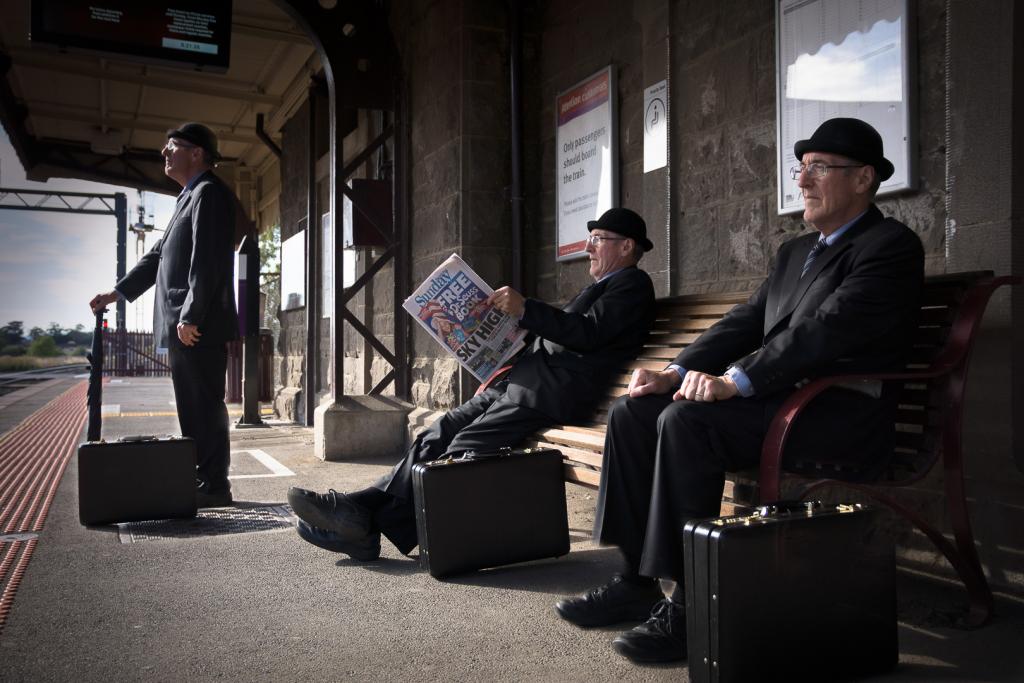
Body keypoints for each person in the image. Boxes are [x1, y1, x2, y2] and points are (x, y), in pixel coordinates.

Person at [556, 118, 925, 664]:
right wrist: (674, 373)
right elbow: (745, 321)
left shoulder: (888, 246)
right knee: (635, 413)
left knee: (686, 424)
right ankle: (636, 580)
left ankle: (689, 606)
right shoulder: (795, 251)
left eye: (819, 168)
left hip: (836, 411)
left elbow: (827, 328)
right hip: (780, 403)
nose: (802, 181)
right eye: (802, 168)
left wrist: (734, 381)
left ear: (865, 178)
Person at [287, 207, 658, 561]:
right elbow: (569, 334)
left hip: (551, 394)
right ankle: (360, 514)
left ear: (626, 246)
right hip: (524, 383)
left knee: (464, 447)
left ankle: (361, 519)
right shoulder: (608, 284)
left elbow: (590, 333)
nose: (588, 246)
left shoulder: (632, 284)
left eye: (598, 238)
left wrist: (527, 309)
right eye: (589, 237)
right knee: (440, 430)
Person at [90, 122, 240, 508]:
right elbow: (156, 256)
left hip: (194, 324)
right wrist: (117, 293)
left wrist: (190, 315)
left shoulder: (209, 194)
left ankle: (214, 484)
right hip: (184, 323)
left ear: (197, 153)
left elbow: (207, 261)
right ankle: (203, 478)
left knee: (204, 405)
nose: (164, 153)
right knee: (192, 406)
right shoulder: (186, 199)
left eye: (172, 147)